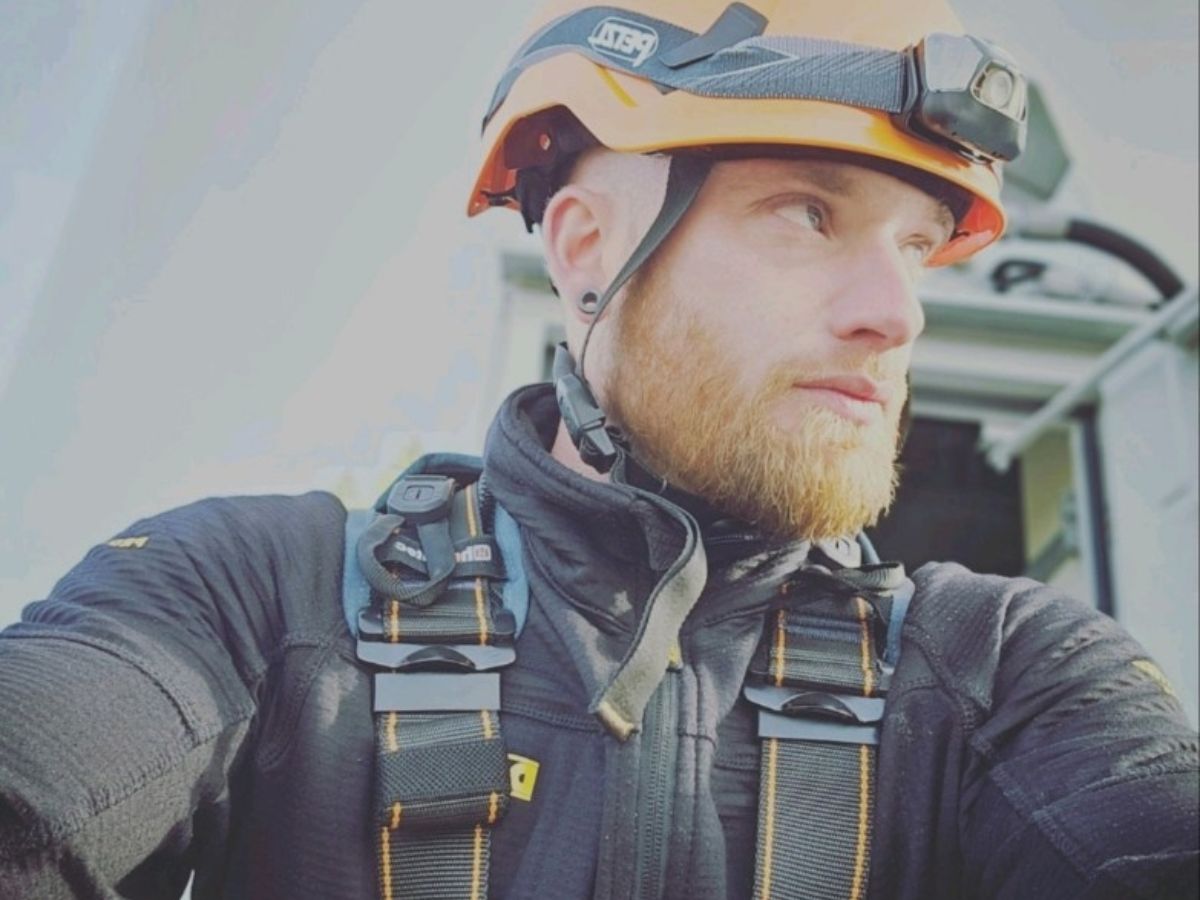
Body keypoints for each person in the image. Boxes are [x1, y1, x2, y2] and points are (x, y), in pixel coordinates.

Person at [1, 1, 1196, 898]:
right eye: (808, 214)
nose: (898, 313)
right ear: (585, 251)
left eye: (919, 243)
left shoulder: (1003, 672)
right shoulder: (256, 596)